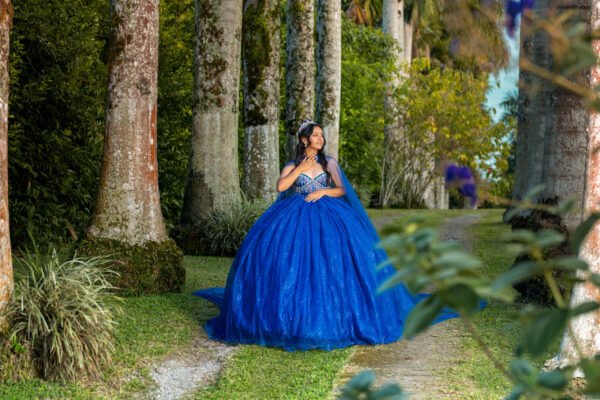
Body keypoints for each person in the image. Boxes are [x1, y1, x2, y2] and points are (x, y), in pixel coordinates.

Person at [193, 120, 454, 351]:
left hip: (330, 213)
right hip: (293, 214)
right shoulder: (292, 164)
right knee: (290, 262)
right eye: (315, 135)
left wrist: (323, 192)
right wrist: (299, 168)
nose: (320, 139)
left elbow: (341, 190)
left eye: (321, 135)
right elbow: (281, 186)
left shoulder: (329, 163)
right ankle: (287, 319)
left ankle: (338, 315)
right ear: (304, 139)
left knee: (335, 261)